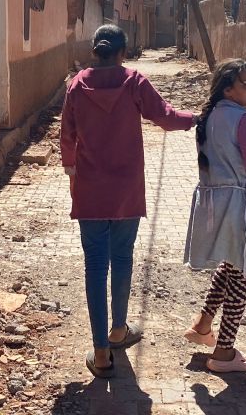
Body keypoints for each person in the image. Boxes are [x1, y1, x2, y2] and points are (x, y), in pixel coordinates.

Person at [60, 25, 197, 378]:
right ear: (123, 52)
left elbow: (67, 136)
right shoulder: (134, 82)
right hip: (126, 190)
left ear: (95, 51)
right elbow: (164, 117)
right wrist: (194, 119)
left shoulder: (76, 85)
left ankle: (101, 352)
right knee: (122, 258)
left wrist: (71, 169)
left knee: (95, 266)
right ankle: (119, 329)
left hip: (91, 190)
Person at [183, 58, 246, 373]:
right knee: (243, 272)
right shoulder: (243, 119)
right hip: (237, 202)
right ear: (228, 87)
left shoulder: (209, 116)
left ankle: (203, 326)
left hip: (211, 199)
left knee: (230, 264)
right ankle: (224, 353)